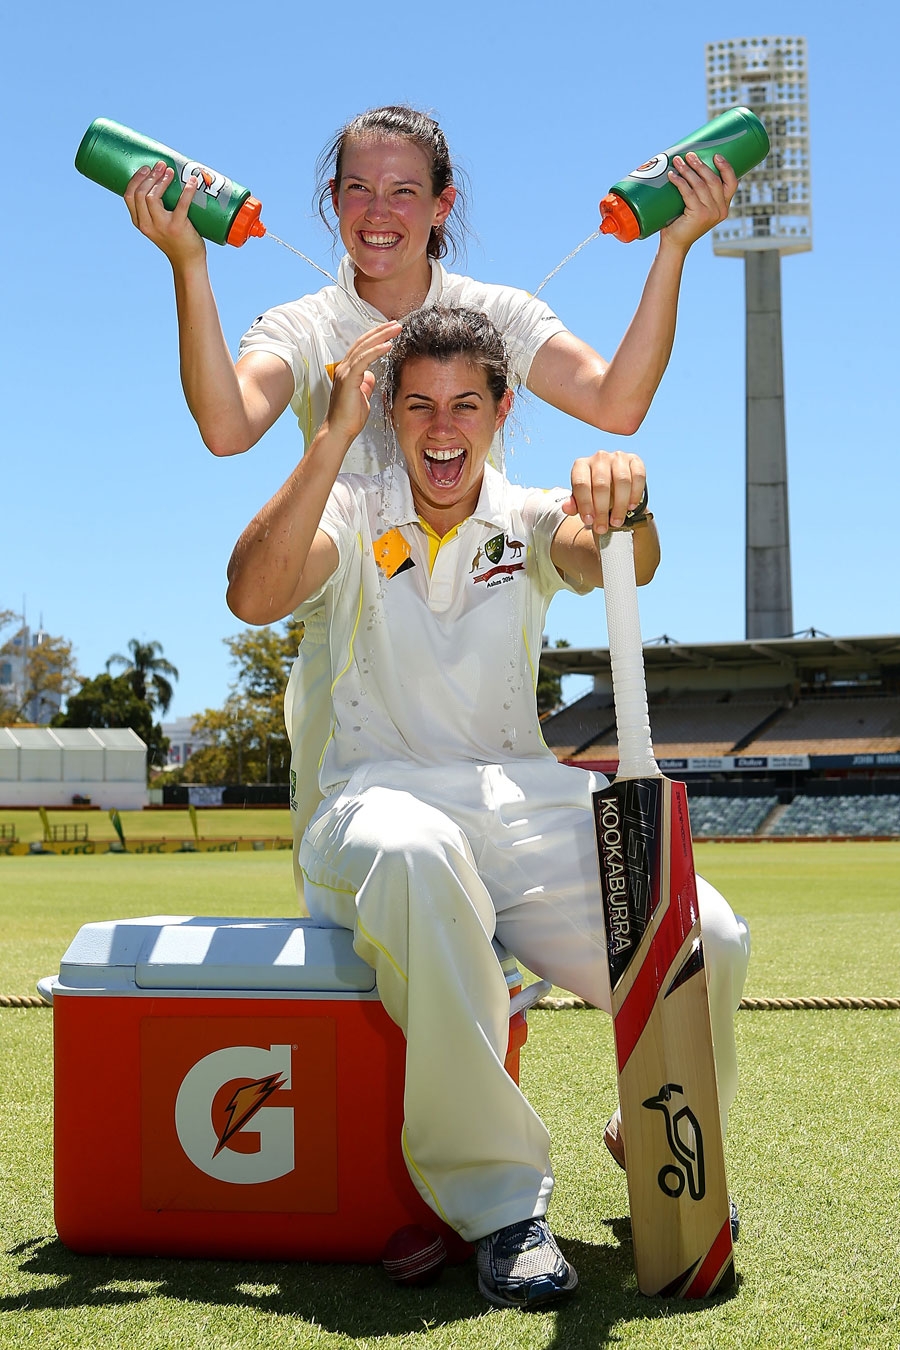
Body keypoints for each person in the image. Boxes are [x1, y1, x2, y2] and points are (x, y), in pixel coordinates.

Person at [225, 306, 751, 1310]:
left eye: (467, 402)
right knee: (423, 859)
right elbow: (252, 595)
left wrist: (628, 508)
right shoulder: (349, 502)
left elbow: (621, 564)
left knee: (713, 937)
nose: (442, 425)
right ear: (389, 410)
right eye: (418, 403)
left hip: (522, 795)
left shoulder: (531, 513)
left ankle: (654, 1127)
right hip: (376, 800)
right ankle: (503, 1204)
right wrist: (331, 436)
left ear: (502, 410)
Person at [123, 105, 739, 898]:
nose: (379, 213)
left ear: (442, 206)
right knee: (371, 900)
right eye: (357, 190)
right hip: (353, 632)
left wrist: (675, 246)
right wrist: (189, 264)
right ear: (333, 203)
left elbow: (616, 404)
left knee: (500, 881)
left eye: (405, 191)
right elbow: (225, 425)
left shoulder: (498, 315)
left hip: (479, 613)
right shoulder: (304, 325)